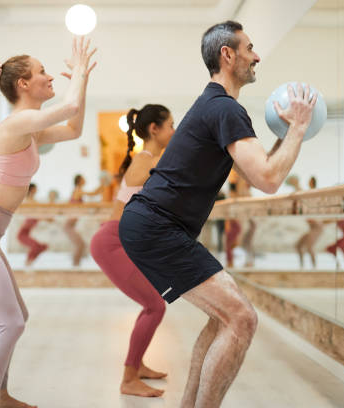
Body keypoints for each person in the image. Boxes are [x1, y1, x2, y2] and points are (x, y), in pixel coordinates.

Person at [119, 21, 317, 407]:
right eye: (250, 48)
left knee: (224, 317)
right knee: (242, 318)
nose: (257, 56)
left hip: (154, 225)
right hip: (157, 226)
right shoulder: (225, 108)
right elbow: (270, 178)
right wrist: (299, 128)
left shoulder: (214, 106)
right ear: (228, 55)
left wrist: (287, 133)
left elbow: (255, 172)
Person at [0, 37, 96, 408]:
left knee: (17, 317)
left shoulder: (28, 130)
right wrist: (78, 72)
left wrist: (85, 78)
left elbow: (74, 128)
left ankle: (0, 395)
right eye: (42, 71)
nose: (50, 77)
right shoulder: (16, 124)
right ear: (23, 85)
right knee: (10, 323)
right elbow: (71, 105)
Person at [90, 105, 174, 397]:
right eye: (170, 126)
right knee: (155, 305)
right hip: (112, 242)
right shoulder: (145, 160)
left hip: (122, 241)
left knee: (152, 304)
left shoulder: (151, 159)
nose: (173, 132)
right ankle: (128, 379)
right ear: (155, 129)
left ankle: (136, 366)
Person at [64, 174, 103, 266]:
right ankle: (75, 266)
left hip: (71, 225)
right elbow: (93, 193)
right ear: (79, 181)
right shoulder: (77, 190)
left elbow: (93, 195)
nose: (85, 180)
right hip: (68, 226)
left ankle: (76, 265)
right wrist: (102, 183)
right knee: (80, 245)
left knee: (80, 245)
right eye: (83, 179)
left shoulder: (78, 191)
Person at [294, 175, 324, 269]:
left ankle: (314, 268)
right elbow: (301, 193)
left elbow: (302, 193)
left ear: (312, 183)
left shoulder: (315, 195)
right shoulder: (309, 195)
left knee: (309, 247)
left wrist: (296, 184)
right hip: (312, 227)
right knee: (298, 245)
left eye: (310, 181)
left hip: (317, 227)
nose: (308, 183)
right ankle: (302, 266)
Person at [17, 183, 48, 265]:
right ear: (32, 189)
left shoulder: (34, 201)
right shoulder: (27, 201)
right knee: (36, 246)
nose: (36, 190)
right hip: (22, 234)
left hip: (26, 233)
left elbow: (39, 213)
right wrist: (44, 217)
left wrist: (46, 217)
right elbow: (32, 214)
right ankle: (28, 263)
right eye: (35, 188)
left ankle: (29, 262)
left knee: (43, 247)